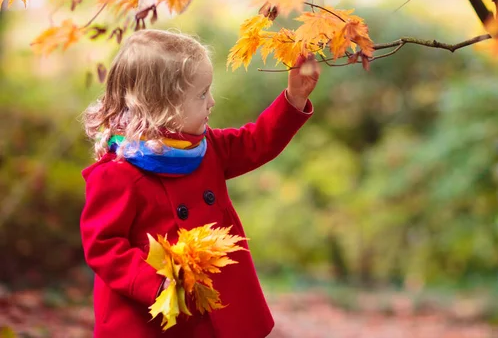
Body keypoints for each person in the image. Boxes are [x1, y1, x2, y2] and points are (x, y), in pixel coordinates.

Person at [80, 29, 320, 337]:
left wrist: (294, 99)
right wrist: (154, 279)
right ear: (161, 105)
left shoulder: (205, 149)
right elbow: (104, 246)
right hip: (153, 315)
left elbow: (257, 142)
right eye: (201, 94)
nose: (212, 102)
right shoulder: (116, 173)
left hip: (212, 309)